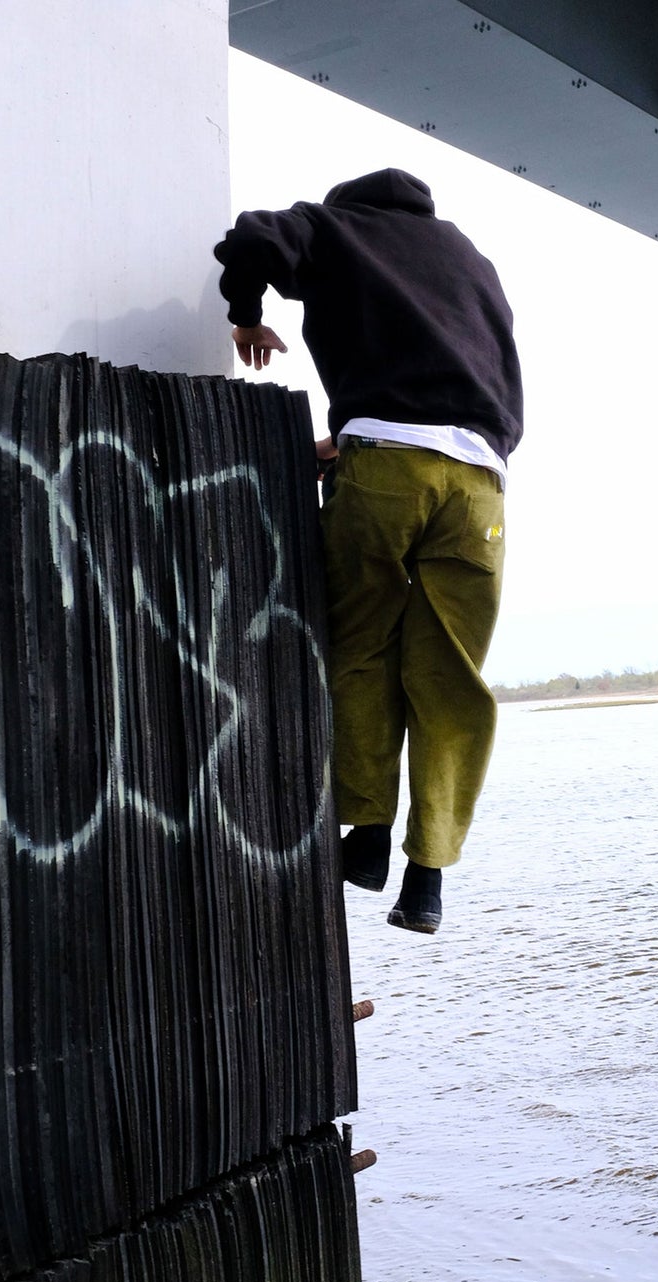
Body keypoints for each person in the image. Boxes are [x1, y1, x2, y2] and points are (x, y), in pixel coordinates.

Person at [214, 168, 522, 933]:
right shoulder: (471, 262)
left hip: (387, 470)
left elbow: (252, 236)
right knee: (452, 678)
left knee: (359, 649)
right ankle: (427, 879)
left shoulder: (337, 227)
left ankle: (368, 836)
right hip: (480, 484)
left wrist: (246, 315)